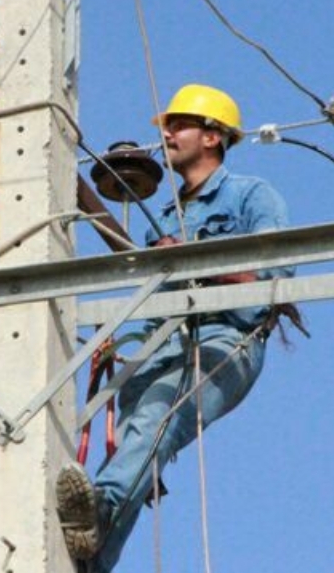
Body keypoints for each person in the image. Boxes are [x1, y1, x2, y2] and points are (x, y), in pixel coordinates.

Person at [55, 83, 296, 572]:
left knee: (154, 421)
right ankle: (90, 562)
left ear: (213, 136)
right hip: (158, 344)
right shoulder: (163, 217)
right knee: (131, 448)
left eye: (177, 124)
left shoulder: (251, 195)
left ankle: (101, 509)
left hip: (225, 340)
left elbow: (272, 279)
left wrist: (192, 261)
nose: (166, 134)